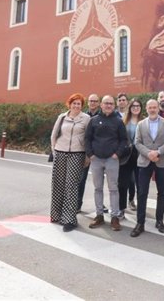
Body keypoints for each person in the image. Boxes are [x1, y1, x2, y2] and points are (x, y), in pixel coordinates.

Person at [131, 99, 164, 237]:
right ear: (147, 109)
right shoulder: (141, 124)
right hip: (144, 162)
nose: (152, 109)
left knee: (162, 192)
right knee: (142, 192)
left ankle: (159, 221)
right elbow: (137, 142)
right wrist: (148, 153)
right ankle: (140, 223)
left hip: (162, 162)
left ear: (157, 108)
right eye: (150, 107)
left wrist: (158, 152)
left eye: (154, 107)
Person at [85, 95, 129, 231]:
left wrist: (117, 154)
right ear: (101, 105)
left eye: (110, 103)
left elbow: (124, 140)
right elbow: (87, 139)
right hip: (96, 160)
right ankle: (99, 215)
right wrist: (90, 154)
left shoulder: (118, 121)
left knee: (113, 189)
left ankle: (115, 217)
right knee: (98, 188)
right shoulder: (93, 120)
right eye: (106, 103)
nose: (108, 105)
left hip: (112, 159)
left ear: (114, 105)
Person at [49, 93, 91, 232]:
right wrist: (54, 151)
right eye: (74, 103)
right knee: (58, 184)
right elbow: (54, 135)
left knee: (71, 186)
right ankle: (56, 215)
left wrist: (87, 156)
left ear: (82, 106)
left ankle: (70, 219)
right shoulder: (62, 117)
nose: (76, 106)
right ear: (70, 104)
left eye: (79, 104)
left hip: (77, 154)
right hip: (60, 153)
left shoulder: (86, 119)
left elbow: (87, 138)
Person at [77, 93, 101, 213]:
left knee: (100, 181)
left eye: (95, 101)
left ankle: (101, 205)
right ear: (88, 102)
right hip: (85, 152)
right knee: (81, 179)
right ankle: (77, 204)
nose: (93, 103)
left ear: (99, 103)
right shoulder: (83, 116)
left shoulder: (103, 115)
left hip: (100, 153)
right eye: (91, 101)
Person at [119, 98, 142, 218]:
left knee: (140, 185)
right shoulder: (123, 121)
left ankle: (140, 209)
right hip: (126, 157)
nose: (136, 108)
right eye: (133, 106)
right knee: (122, 184)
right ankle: (121, 208)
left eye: (138, 106)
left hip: (140, 156)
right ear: (130, 108)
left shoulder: (144, 121)